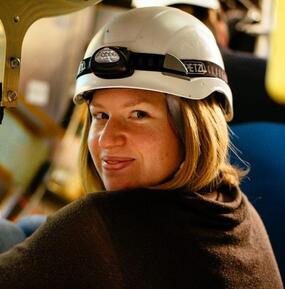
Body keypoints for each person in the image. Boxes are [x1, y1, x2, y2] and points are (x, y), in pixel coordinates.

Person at [0, 7, 283, 289]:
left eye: (138, 115)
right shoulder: (232, 208)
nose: (108, 139)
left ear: (194, 126)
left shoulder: (101, 227)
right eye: (100, 116)